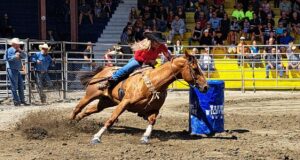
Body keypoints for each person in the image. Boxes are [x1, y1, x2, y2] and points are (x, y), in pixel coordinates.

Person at [101, 32, 172, 89]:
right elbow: (137, 56)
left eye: (159, 42)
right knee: (126, 69)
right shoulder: (143, 46)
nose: (158, 44)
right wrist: (148, 61)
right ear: (152, 41)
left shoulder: (161, 46)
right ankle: (111, 79)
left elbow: (167, 54)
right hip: (138, 61)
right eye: (157, 42)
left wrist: (170, 59)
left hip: (150, 64)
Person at [4, 38, 29, 106]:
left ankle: (22, 100)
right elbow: (6, 59)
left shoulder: (18, 50)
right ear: (14, 44)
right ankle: (16, 101)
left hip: (17, 70)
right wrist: (15, 56)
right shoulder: (9, 50)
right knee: (14, 86)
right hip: (11, 69)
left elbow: (25, 56)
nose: (19, 45)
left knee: (21, 85)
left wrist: (21, 51)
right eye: (18, 44)